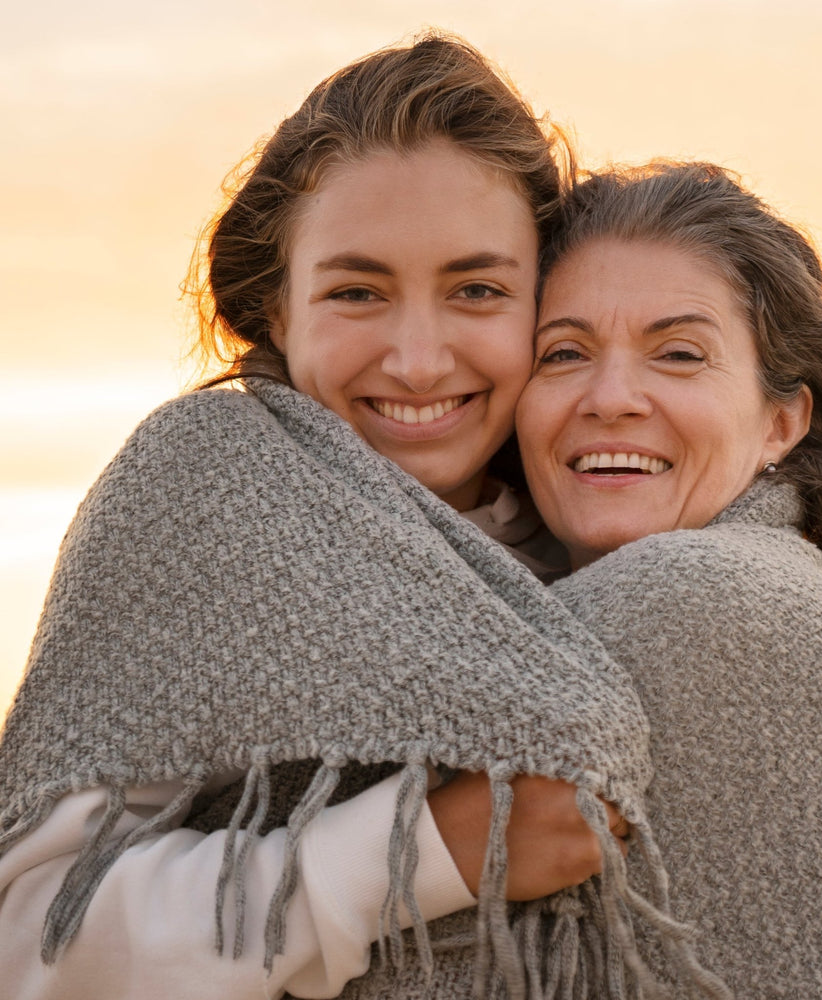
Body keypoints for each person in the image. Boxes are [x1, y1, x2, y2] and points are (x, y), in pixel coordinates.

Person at [0, 34, 717, 1000]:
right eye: (355, 292)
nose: (420, 362)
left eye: (477, 290)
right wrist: (437, 851)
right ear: (277, 312)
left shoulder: (600, 521)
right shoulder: (204, 495)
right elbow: (28, 940)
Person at [515, 160, 822, 997]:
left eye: (680, 353)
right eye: (563, 353)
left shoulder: (710, 603)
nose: (612, 395)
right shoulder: (779, 581)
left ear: (781, 422)